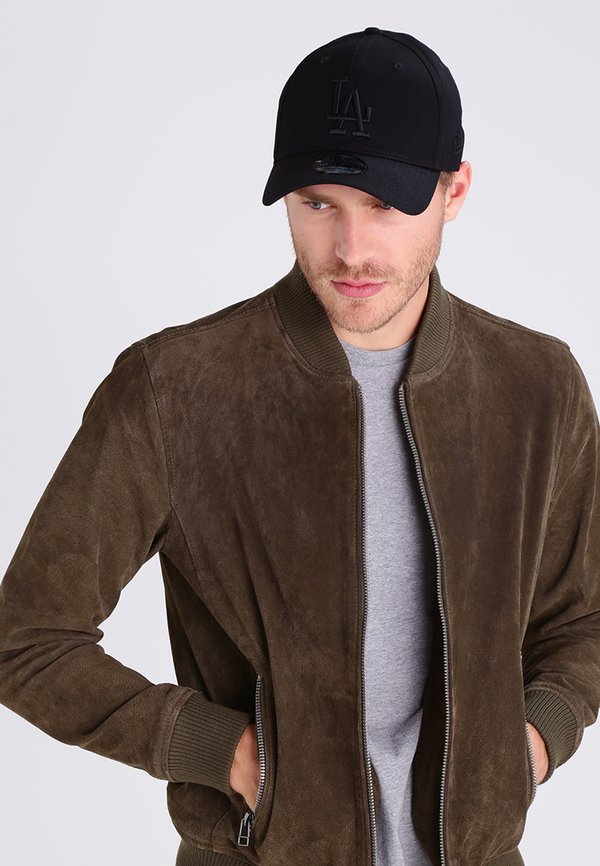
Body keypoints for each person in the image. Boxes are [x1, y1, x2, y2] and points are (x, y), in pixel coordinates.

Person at [0, 26, 598, 866]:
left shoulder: (536, 386)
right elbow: (27, 637)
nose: (351, 249)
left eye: (386, 205)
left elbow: (583, 617)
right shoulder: (174, 388)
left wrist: (528, 746)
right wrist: (227, 755)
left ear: (454, 190)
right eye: (318, 204)